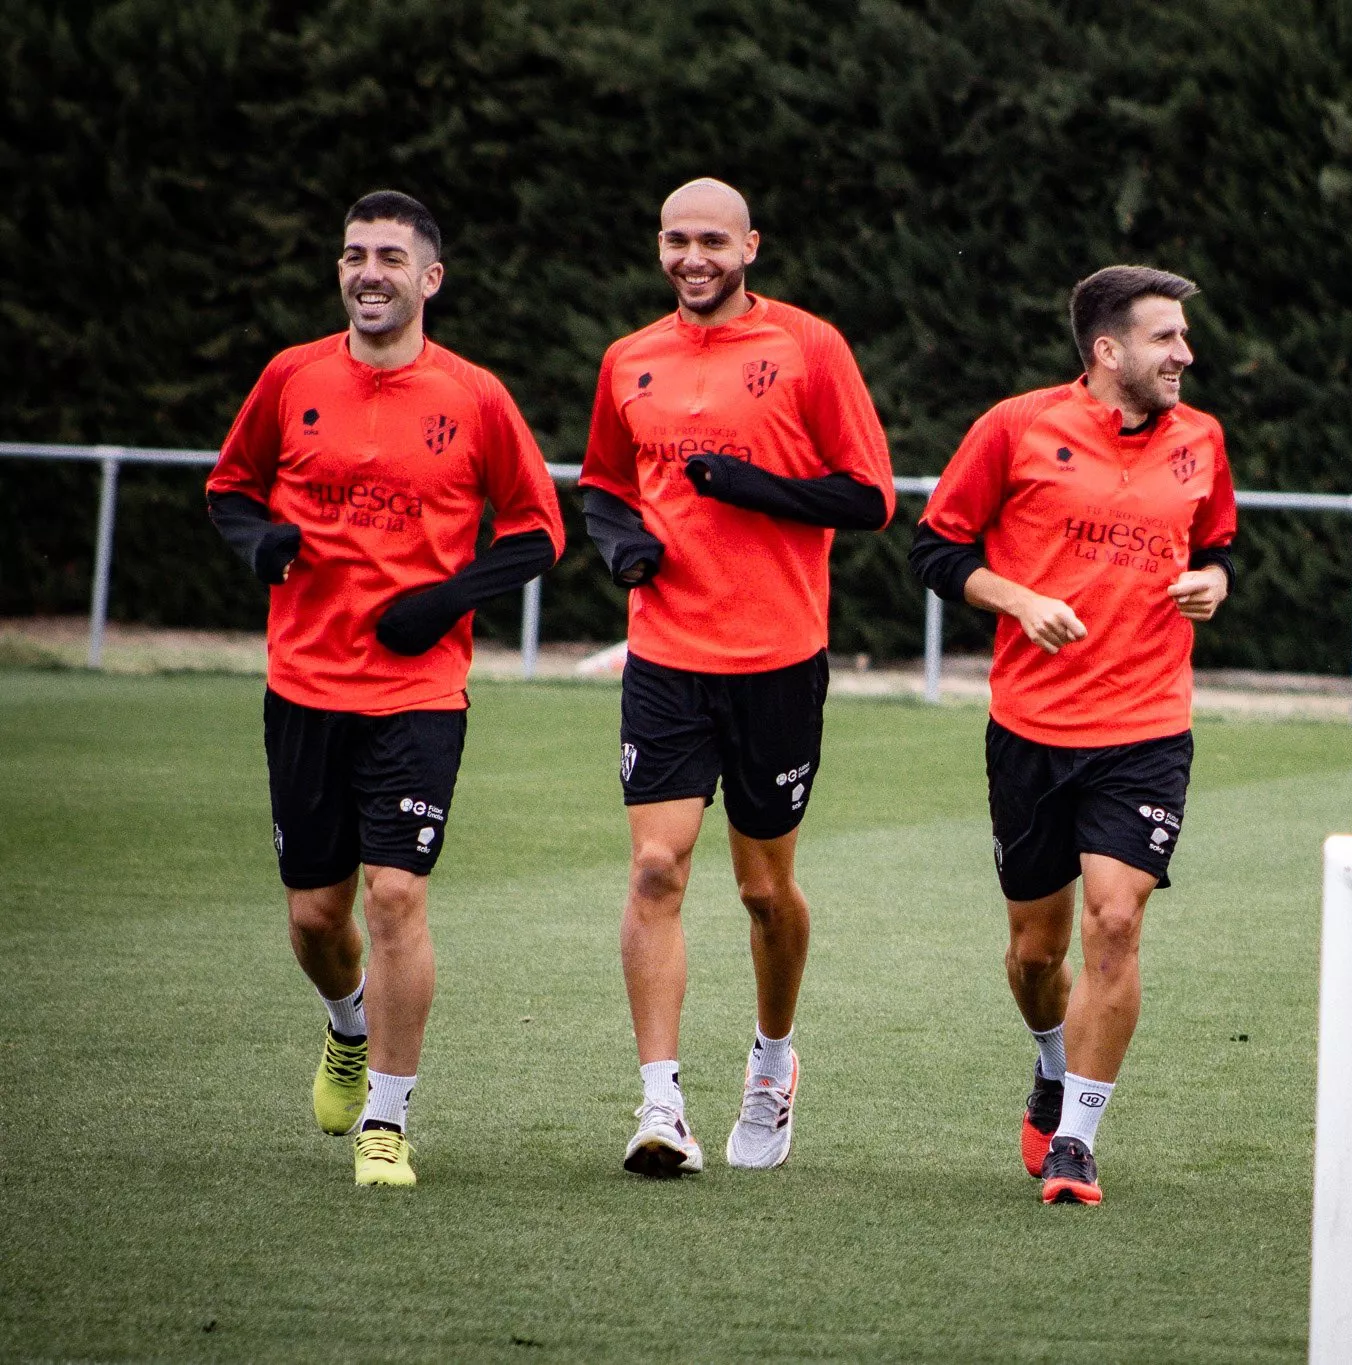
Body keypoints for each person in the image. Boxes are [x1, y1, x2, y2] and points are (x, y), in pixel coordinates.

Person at [206, 191, 566, 1187]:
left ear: (429, 279)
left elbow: (539, 531)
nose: (369, 271)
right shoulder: (290, 378)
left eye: (389, 258)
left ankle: (387, 1121)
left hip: (417, 694)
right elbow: (227, 490)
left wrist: (444, 600)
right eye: (355, 254)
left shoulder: (477, 397)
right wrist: (262, 541)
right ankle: (346, 1026)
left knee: (397, 896)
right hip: (305, 688)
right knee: (317, 921)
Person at [579, 179, 895, 1178]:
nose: (692, 256)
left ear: (749, 244)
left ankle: (770, 1059)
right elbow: (602, 482)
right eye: (675, 238)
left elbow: (870, 496)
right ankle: (660, 1105)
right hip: (667, 655)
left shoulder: (810, 348)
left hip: (777, 660)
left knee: (764, 892)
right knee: (655, 869)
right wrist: (622, 544)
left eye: (711, 238)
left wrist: (748, 485)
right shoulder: (628, 358)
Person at [908, 265, 1238, 1206]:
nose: (1185, 353)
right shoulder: (1015, 427)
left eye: (1183, 336)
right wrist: (1018, 598)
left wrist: (1213, 584)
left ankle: (1078, 1142)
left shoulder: (1203, 440)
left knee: (1117, 921)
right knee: (1035, 953)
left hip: (1147, 727)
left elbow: (1215, 548)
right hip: (1030, 728)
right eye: (1166, 338)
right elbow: (936, 546)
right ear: (1107, 350)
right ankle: (1052, 1063)